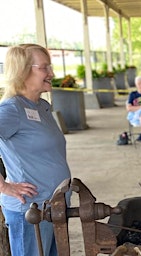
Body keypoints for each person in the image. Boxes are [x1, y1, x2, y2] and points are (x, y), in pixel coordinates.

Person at [0, 44, 71, 256]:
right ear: (23, 71)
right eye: (44, 67)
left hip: (52, 207)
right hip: (31, 211)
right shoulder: (12, 109)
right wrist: (4, 187)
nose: (52, 73)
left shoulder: (40, 105)